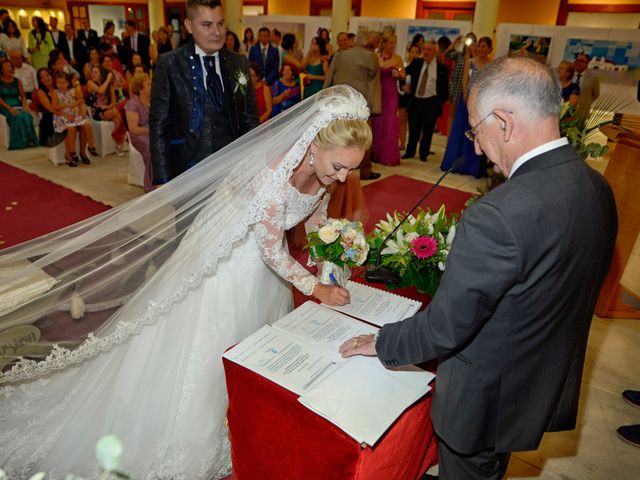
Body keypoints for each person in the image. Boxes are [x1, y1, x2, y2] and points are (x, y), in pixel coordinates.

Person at [0, 85, 371, 479]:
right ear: (313, 145)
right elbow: (272, 251)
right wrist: (316, 288)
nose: (344, 176)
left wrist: (327, 253)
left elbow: (314, 216)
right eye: (339, 167)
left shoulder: (327, 170)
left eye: (351, 168)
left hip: (264, 262)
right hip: (227, 256)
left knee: (252, 340)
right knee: (206, 336)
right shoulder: (274, 172)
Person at [340, 56, 617, 480]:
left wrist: (381, 343)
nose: (473, 145)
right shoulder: (596, 186)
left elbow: (445, 329)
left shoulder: (499, 213)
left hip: (484, 399)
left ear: (503, 121)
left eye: (474, 128)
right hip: (534, 385)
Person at [150, 0, 258, 186]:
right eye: (207, 25)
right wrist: (162, 178)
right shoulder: (170, 64)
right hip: (187, 171)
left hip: (232, 173)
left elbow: (250, 119)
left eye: (221, 23)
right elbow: (159, 124)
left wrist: (253, 164)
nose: (217, 32)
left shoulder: (238, 63)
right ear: (189, 26)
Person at [324, 30, 381, 180]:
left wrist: (325, 96)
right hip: (360, 103)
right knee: (363, 136)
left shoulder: (340, 55)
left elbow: (329, 77)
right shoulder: (371, 57)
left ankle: (336, 166)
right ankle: (365, 170)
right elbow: (374, 75)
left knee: (339, 134)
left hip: (340, 101)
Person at [441, 36, 493, 178]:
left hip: (482, 103)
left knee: (476, 132)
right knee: (461, 130)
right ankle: (455, 162)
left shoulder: (491, 65)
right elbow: (465, 80)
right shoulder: (469, 62)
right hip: (466, 101)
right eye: (480, 46)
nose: (481, 49)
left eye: (484, 46)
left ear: (490, 49)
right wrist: (466, 95)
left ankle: (473, 166)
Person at [401, 40, 448, 162]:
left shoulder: (441, 68)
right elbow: (403, 73)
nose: (426, 52)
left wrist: (438, 102)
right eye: (425, 49)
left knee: (428, 130)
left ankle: (423, 153)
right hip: (416, 101)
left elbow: (444, 90)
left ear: (435, 52)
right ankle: (409, 152)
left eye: (429, 49)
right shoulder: (416, 62)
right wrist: (403, 85)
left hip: (431, 103)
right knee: (413, 129)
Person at [370, 32, 405, 166]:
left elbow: (403, 75)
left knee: (390, 123)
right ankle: (377, 154)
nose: (392, 45)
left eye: (394, 43)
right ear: (384, 43)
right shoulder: (375, 57)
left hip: (390, 94)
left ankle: (389, 156)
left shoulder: (397, 58)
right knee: (378, 123)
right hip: (378, 92)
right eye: (390, 42)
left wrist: (399, 74)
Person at [52, 71, 95, 166]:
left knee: (86, 125)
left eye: (63, 83)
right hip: (62, 116)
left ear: (68, 83)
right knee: (70, 129)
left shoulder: (73, 90)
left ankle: (87, 150)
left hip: (74, 114)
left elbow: (81, 100)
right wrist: (65, 105)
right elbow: (54, 106)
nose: (60, 85)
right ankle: (71, 153)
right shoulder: (56, 92)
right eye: (58, 83)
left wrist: (76, 104)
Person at [86, 64, 127, 154]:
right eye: (92, 72)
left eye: (96, 72)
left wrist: (107, 107)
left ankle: (118, 145)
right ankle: (123, 137)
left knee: (116, 117)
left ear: (101, 73)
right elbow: (100, 90)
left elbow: (113, 102)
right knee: (116, 113)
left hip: (107, 110)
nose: (93, 74)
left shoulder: (109, 85)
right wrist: (108, 79)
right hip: (96, 111)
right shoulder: (90, 83)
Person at [0, 58, 38, 149]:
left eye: (10, 66)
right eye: (7, 67)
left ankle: (30, 140)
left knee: (27, 115)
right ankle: (20, 142)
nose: (10, 68)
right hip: (4, 105)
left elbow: (23, 96)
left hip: (17, 103)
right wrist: (9, 109)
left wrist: (24, 106)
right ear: (1, 69)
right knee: (17, 116)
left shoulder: (17, 81)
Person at [125, 72, 153, 191]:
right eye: (149, 84)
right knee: (151, 148)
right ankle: (150, 185)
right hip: (139, 135)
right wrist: (152, 130)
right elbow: (134, 129)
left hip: (152, 132)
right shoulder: (133, 104)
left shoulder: (154, 100)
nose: (152, 86)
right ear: (141, 89)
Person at [34, 67, 65, 148]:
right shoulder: (41, 92)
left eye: (47, 75)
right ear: (40, 80)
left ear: (52, 76)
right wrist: (65, 115)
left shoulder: (59, 86)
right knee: (70, 127)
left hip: (62, 115)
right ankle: (70, 154)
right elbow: (51, 109)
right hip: (50, 119)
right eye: (42, 77)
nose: (46, 78)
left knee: (84, 124)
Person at [398, 43, 421, 150]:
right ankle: (402, 143)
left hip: (416, 97)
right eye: (412, 52)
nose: (414, 54)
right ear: (409, 53)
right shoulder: (404, 65)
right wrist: (403, 87)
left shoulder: (422, 68)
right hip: (403, 96)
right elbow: (400, 79)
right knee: (402, 120)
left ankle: (418, 145)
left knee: (416, 123)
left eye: (417, 52)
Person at [573, 53, 599, 121]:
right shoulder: (570, 74)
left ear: (587, 63)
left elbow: (596, 94)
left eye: (581, 61)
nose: (578, 63)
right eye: (577, 60)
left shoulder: (593, 78)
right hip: (566, 112)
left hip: (582, 113)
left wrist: (585, 102)